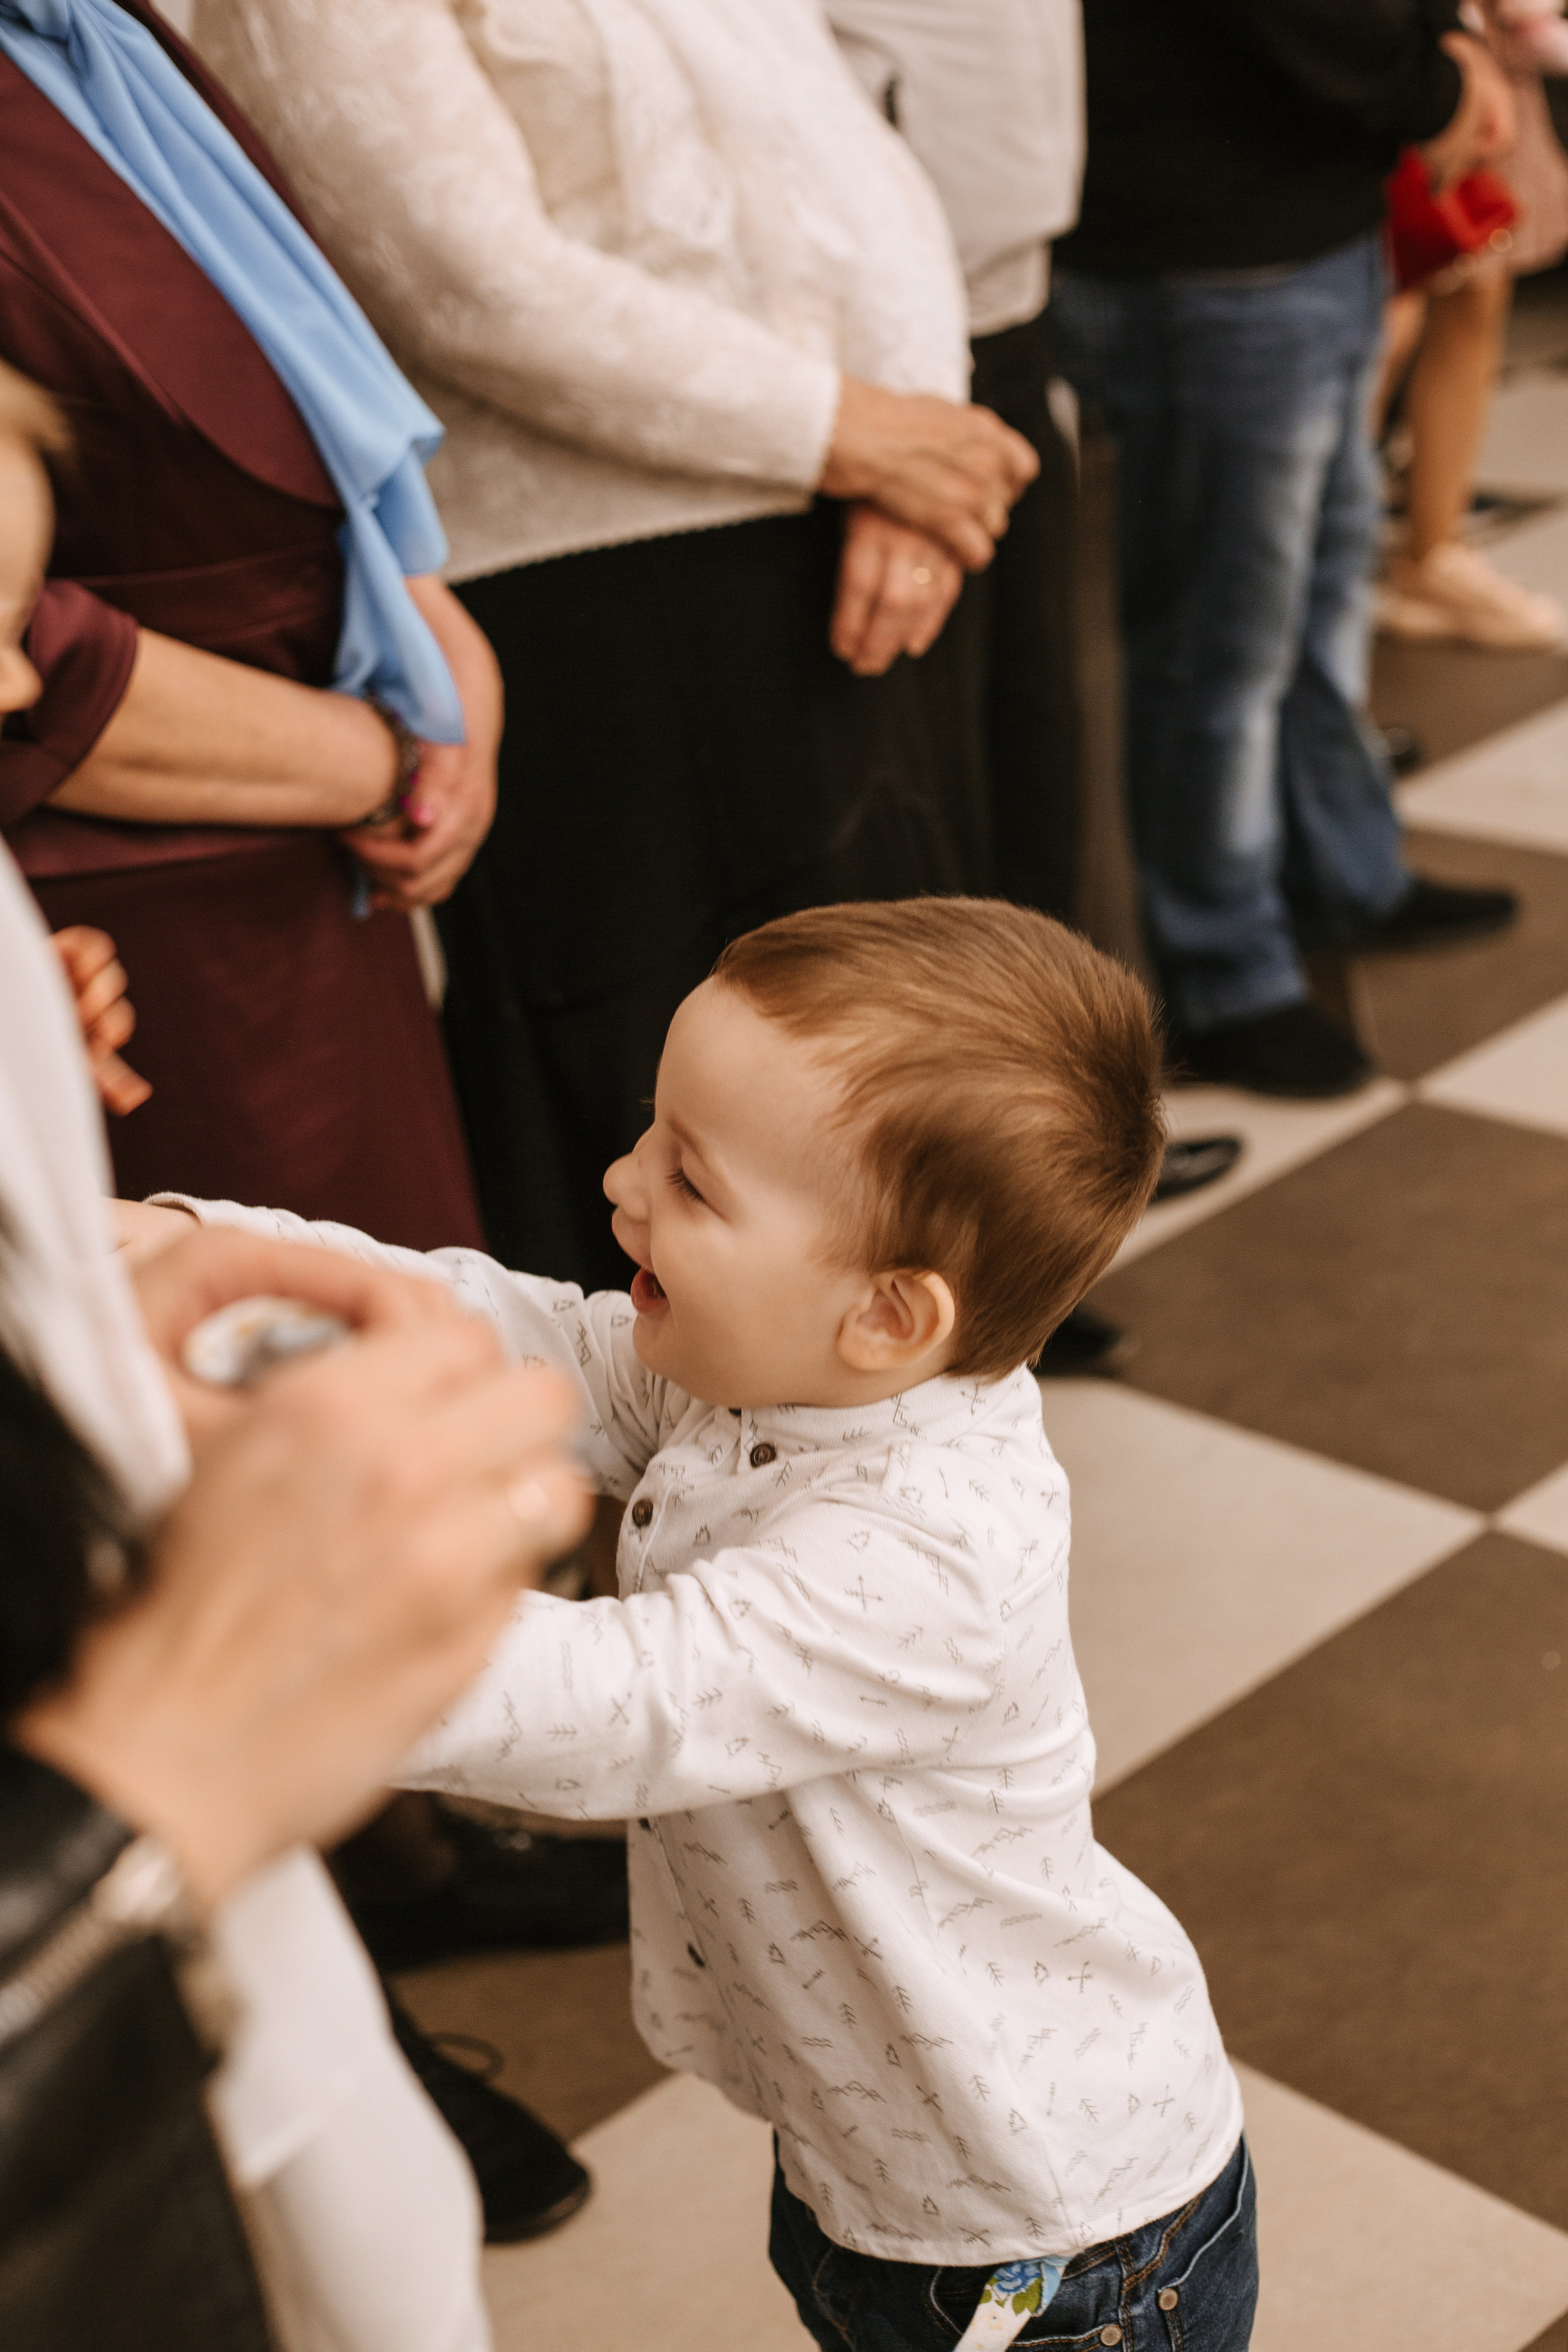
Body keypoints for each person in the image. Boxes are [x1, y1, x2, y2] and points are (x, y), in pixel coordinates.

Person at [136, 896, 1258, 2352]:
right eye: (649, 1132)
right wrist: (201, 1255)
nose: (620, 1181)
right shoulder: (768, 1370)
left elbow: (613, 1702)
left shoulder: (924, 1553)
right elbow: (508, 1331)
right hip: (870, 2166)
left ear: (888, 1315)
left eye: (692, 1179)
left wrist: (248, 1627)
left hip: (1045, 2246)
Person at [192, 0, 1039, 1298]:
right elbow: (462, 280)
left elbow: (855, 164)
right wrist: (852, 435)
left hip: (841, 526)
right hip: (591, 592)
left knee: (888, 1069)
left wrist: (917, 450)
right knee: (675, 1134)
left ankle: (917, 1372)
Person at [0, 0, 497, 1246]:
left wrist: (423, 620)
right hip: (131, 916)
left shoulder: (87, 32)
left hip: (307, 871)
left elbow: (275, 392)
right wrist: (368, 760)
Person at [826, 0, 1243, 1379]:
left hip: (1008, 303)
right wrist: (887, 412)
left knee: (1032, 780)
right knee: (933, 830)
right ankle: (955, 1234)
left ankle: (1050, 1182)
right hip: (883, 357)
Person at [1051, 1, 1524, 1099]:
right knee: (1218, 643)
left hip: (1313, 218)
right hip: (1213, 241)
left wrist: (1442, 43)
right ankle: (1222, 972)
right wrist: (1439, 86)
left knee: (1319, 593)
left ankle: (1341, 870)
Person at [1378, 0, 1568, 650]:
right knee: (1386, 315)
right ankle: (1315, 558)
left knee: (1476, 278)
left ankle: (1432, 551)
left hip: (1479, 44)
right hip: (1408, 43)